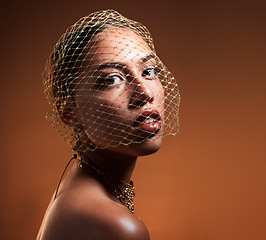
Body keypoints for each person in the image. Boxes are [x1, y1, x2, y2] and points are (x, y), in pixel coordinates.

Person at [37, 9, 180, 240]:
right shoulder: (116, 226)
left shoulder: (79, 181)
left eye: (148, 71)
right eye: (111, 79)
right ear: (68, 112)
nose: (144, 92)